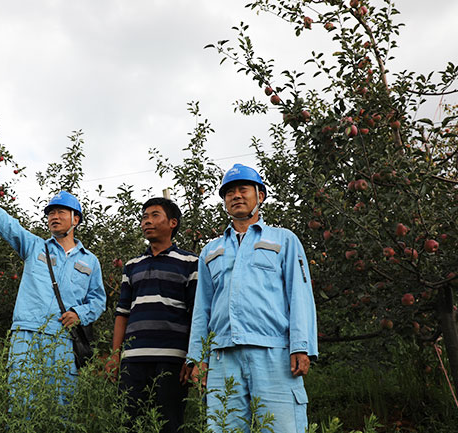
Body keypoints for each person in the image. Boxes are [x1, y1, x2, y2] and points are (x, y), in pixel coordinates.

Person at [187, 164, 318, 433]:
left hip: (274, 353)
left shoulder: (284, 240)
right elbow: (202, 307)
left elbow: (300, 295)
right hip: (223, 357)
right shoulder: (212, 250)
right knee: (223, 428)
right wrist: (198, 358)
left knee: (283, 428)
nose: (236, 195)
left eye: (243, 189)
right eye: (229, 192)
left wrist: (301, 346)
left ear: (260, 195)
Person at [0, 175, 106, 397]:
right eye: (51, 213)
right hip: (26, 334)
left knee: (61, 406)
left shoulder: (89, 261)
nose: (54, 217)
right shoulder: (35, 247)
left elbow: (98, 300)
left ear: (76, 219)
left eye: (61, 212)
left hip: (64, 339)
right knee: (22, 402)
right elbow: (9, 226)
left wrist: (79, 314)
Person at [107, 197, 198, 433]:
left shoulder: (190, 263)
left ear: (173, 223)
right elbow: (122, 313)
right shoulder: (132, 265)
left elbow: (196, 314)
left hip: (171, 358)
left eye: (155, 215)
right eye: (144, 217)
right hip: (133, 358)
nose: (147, 221)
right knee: (129, 423)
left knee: (169, 423)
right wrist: (116, 355)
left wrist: (192, 357)